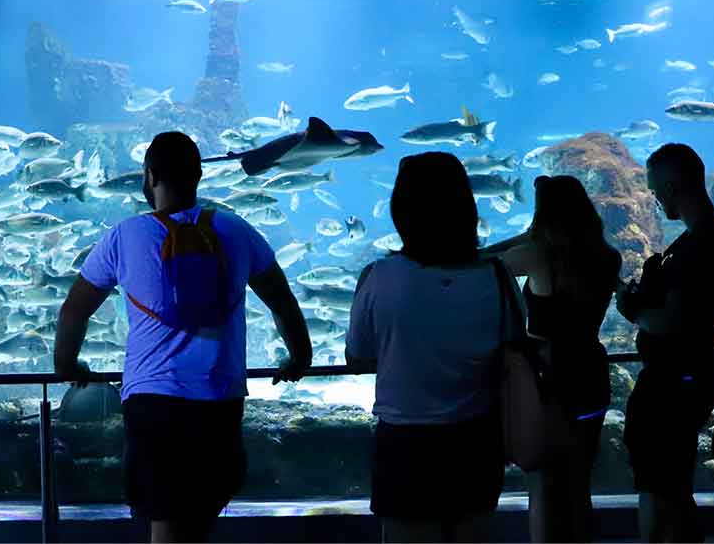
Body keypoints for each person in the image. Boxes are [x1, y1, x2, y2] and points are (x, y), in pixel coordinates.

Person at [54, 131, 312, 543]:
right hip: (220, 400)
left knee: (166, 525)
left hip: (154, 403)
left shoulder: (124, 236)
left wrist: (66, 365)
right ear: (199, 176)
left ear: (150, 175)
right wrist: (300, 356)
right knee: (199, 521)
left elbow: (74, 310)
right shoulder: (235, 230)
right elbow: (282, 303)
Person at [346, 152, 525, 543]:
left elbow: (358, 357)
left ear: (400, 211)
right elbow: (513, 346)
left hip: (405, 444)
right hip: (477, 443)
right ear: (467, 208)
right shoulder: (497, 276)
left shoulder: (378, 278)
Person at [483, 175, 622, 542]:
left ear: (544, 215)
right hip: (591, 372)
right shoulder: (607, 256)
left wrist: (527, 234)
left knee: (543, 480)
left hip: (548, 377)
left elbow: (488, 263)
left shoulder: (538, 254)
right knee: (578, 482)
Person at [615, 143, 714, 542]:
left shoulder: (704, 243)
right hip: (688, 375)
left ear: (672, 186)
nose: (653, 199)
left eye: (655, 191)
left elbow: (671, 322)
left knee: (658, 487)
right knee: (673, 486)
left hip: (676, 380)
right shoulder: (703, 238)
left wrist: (631, 308)